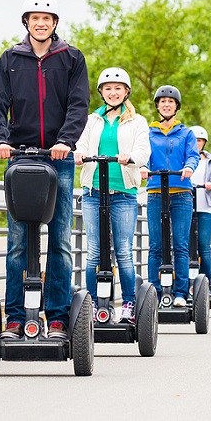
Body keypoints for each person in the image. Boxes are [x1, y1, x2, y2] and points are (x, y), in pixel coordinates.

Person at [0, 0, 90, 339]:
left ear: (55, 23)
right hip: (20, 159)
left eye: (47, 18)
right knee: (17, 241)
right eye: (34, 18)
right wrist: (0, 141)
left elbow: (78, 105)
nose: (40, 23)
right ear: (26, 23)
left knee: (59, 238)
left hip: (57, 159)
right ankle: (16, 317)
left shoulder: (71, 58)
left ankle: (58, 317)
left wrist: (65, 141)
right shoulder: (10, 59)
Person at [75, 68, 150, 322]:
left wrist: (132, 159)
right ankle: (94, 305)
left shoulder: (137, 121)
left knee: (123, 252)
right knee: (94, 251)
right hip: (93, 191)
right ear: (101, 92)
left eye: (118, 88)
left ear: (126, 91)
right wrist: (77, 154)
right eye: (108, 88)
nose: (113, 92)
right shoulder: (91, 120)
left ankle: (128, 303)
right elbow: (81, 144)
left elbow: (143, 150)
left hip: (124, 193)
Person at [141, 85, 199, 307]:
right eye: (163, 101)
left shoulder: (186, 133)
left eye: (171, 102)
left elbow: (193, 156)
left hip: (181, 193)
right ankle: (154, 291)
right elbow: (143, 155)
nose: (166, 105)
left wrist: (189, 167)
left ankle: (180, 293)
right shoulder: (148, 132)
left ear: (176, 106)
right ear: (157, 105)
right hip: (156, 192)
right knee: (155, 244)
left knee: (180, 245)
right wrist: (144, 167)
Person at [189, 126, 211, 283]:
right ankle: (186, 283)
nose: (197, 143)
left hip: (206, 207)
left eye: (200, 141)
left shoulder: (210, 161)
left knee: (203, 245)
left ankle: (206, 281)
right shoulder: (184, 159)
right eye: (194, 140)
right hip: (187, 207)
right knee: (185, 246)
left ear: (204, 143)